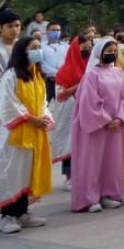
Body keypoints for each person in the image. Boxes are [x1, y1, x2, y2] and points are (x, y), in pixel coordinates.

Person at [69, 37, 124, 213]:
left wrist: (119, 118)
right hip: (96, 127)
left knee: (111, 162)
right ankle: (89, 198)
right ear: (99, 53)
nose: (112, 54)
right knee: (92, 162)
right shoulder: (91, 75)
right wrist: (105, 120)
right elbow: (88, 102)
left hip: (115, 126)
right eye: (108, 51)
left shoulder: (119, 73)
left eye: (114, 51)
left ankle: (108, 194)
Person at [0, 37, 53, 233]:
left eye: (39, 47)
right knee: (12, 174)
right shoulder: (11, 76)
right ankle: (7, 216)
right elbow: (8, 104)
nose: (38, 51)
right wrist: (31, 119)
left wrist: (45, 117)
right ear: (22, 51)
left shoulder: (37, 75)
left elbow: (43, 102)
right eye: (33, 48)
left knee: (27, 173)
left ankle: (22, 212)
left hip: (35, 132)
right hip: (16, 135)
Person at [49, 32, 93, 190]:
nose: (87, 49)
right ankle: (69, 177)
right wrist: (83, 83)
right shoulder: (64, 71)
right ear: (75, 48)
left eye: (89, 46)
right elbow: (61, 93)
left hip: (88, 111)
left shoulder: (91, 66)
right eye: (84, 46)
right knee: (70, 144)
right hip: (70, 111)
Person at [40, 24, 67, 101]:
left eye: (58, 30)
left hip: (63, 82)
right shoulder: (41, 46)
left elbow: (68, 62)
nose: (56, 32)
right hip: (48, 81)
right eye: (53, 30)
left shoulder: (66, 46)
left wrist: (61, 74)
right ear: (47, 32)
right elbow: (41, 63)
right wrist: (56, 73)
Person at [0, 9, 22, 74]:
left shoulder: (24, 46)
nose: (14, 29)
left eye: (17, 26)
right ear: (1, 27)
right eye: (10, 26)